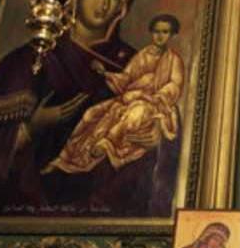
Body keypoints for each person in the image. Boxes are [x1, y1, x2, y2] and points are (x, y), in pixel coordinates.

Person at [0, 0, 177, 217]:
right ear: (75, 0)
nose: (104, 4)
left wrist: (160, 136)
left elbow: (165, 115)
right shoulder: (30, 59)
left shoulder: (137, 62)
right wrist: (31, 128)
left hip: (106, 202)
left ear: (123, 7)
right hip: (24, 202)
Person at [44, 14, 185, 174]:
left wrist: (156, 96)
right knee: (92, 114)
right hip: (129, 98)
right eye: (156, 31)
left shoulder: (174, 60)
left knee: (133, 114)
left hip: (153, 105)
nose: (160, 36)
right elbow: (126, 79)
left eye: (165, 32)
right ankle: (65, 159)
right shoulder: (142, 55)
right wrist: (105, 73)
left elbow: (174, 85)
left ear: (172, 35)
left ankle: (108, 143)